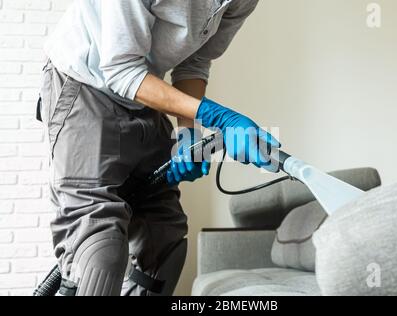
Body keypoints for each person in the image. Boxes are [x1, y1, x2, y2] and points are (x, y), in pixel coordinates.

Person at [38, 0, 279, 296]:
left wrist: (188, 133)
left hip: (143, 90)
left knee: (165, 241)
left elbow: (194, 61)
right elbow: (120, 68)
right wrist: (219, 117)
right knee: (99, 252)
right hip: (86, 82)